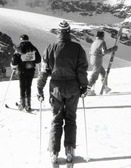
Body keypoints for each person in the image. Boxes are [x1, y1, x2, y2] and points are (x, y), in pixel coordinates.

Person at [36, 20, 88, 165]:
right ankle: (70, 150)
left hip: (56, 88)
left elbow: (44, 70)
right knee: (71, 118)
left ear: (58, 32)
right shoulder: (77, 48)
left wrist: (39, 88)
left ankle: (54, 151)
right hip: (73, 87)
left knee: (56, 119)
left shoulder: (50, 48)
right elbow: (81, 70)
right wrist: (84, 86)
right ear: (69, 31)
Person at [10, 34, 41, 112]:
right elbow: (38, 60)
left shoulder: (19, 49)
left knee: (22, 86)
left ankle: (22, 104)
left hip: (22, 70)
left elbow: (15, 61)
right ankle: (28, 105)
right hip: (31, 70)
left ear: (21, 40)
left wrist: (13, 66)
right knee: (28, 86)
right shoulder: (33, 48)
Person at [86, 30, 117, 96]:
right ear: (102, 36)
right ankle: (87, 90)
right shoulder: (102, 42)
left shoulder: (94, 42)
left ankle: (105, 87)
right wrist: (112, 49)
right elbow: (104, 52)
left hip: (93, 58)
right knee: (95, 75)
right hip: (97, 60)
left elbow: (90, 51)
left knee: (103, 73)